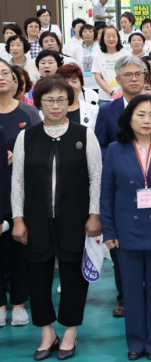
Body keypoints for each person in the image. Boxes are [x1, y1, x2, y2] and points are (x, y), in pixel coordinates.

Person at [11, 75, 101, 361]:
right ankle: (47, 332)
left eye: (61, 99)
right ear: (39, 103)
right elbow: (17, 181)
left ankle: (71, 331)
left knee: (74, 276)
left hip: (75, 218)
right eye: (48, 99)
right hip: (36, 219)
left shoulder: (84, 134)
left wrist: (94, 214)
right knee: (37, 277)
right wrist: (18, 218)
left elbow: (96, 177)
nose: (55, 105)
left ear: (70, 101)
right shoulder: (28, 135)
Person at [101, 94, 151, 361]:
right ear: (129, 118)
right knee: (132, 291)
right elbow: (107, 195)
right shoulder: (115, 149)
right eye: (140, 114)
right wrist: (110, 232)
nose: (146, 120)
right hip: (127, 231)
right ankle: (135, 341)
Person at [0, 59, 41, 330]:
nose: (1, 78)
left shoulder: (28, 113)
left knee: (20, 248)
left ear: (16, 81)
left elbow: (40, 151)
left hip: (21, 192)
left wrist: (20, 158)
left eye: (5, 73)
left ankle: (18, 304)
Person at [49, 64, 99, 130]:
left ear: (81, 86)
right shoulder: (47, 110)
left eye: (74, 81)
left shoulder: (93, 110)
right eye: (65, 81)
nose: (70, 85)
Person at [92, 26, 127, 105]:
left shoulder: (125, 54)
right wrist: (112, 93)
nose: (111, 39)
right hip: (104, 98)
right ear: (103, 38)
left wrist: (120, 93)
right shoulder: (97, 55)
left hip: (125, 96)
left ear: (118, 38)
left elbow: (129, 75)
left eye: (114, 36)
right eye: (108, 36)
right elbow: (98, 78)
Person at [71, 25, 100, 90]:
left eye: (90, 31)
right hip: (82, 85)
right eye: (85, 31)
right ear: (81, 34)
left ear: (94, 34)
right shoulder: (76, 50)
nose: (87, 34)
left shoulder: (100, 49)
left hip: (99, 85)